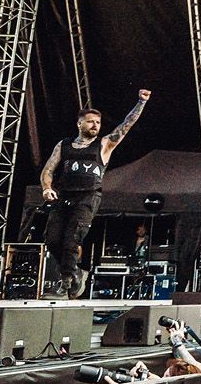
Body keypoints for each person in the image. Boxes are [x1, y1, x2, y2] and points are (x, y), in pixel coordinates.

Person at [36, 91, 149, 298]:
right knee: (52, 240)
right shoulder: (65, 145)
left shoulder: (104, 144)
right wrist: (47, 188)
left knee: (72, 239)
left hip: (88, 197)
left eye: (98, 122)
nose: (95, 125)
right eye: (90, 122)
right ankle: (76, 272)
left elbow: (126, 126)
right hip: (63, 196)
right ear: (80, 124)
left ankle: (66, 283)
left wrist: (141, 102)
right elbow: (48, 170)